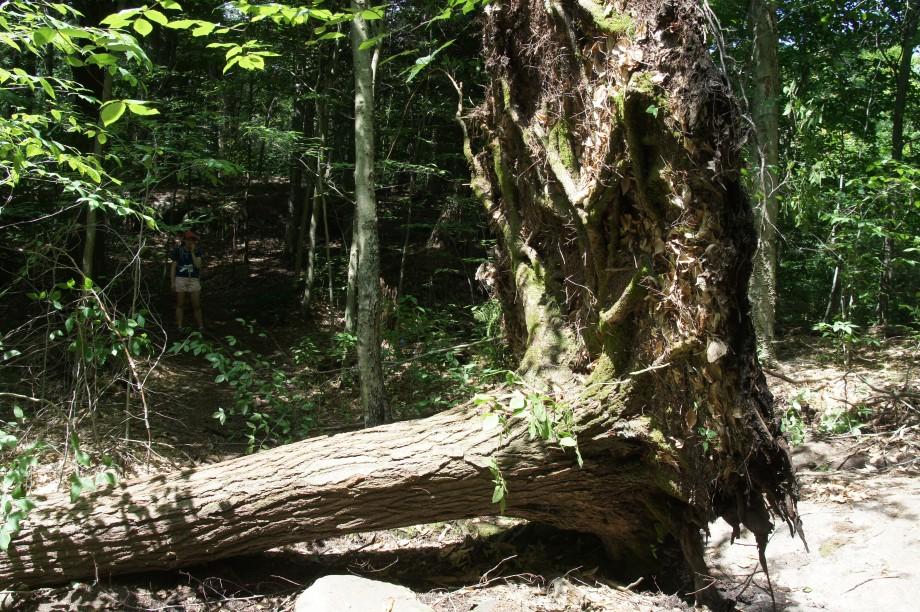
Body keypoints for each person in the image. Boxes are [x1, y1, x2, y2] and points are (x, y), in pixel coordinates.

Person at [170, 230, 204, 329]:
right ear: (184, 240)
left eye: (193, 240)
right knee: (180, 304)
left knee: (197, 305)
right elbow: (173, 267)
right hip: (180, 278)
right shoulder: (178, 250)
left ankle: (201, 326)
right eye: (189, 240)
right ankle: (180, 326)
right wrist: (172, 283)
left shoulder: (197, 251)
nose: (191, 242)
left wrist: (192, 252)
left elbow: (198, 265)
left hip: (193, 279)